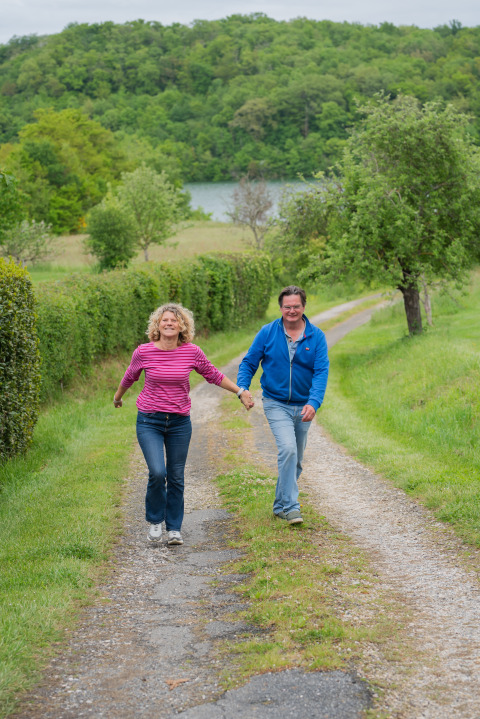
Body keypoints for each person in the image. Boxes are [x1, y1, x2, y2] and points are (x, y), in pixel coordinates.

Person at [113, 303, 254, 546]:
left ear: (182, 326)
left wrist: (239, 391)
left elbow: (213, 374)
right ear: (157, 325)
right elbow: (130, 376)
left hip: (179, 422)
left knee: (176, 476)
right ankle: (156, 521)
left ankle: (174, 528)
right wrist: (118, 397)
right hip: (149, 420)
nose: (169, 323)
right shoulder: (144, 352)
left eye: (174, 320)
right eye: (165, 320)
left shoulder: (191, 351)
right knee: (158, 472)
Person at [237, 285, 329, 525]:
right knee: (288, 450)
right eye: (287, 306)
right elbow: (249, 363)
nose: (291, 311)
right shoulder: (268, 333)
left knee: (296, 459)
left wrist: (314, 402)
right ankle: (291, 507)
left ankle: (280, 505)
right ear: (281, 308)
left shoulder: (316, 336)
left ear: (304, 307)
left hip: (304, 407)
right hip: (276, 402)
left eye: (296, 306)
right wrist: (243, 388)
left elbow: (321, 372)